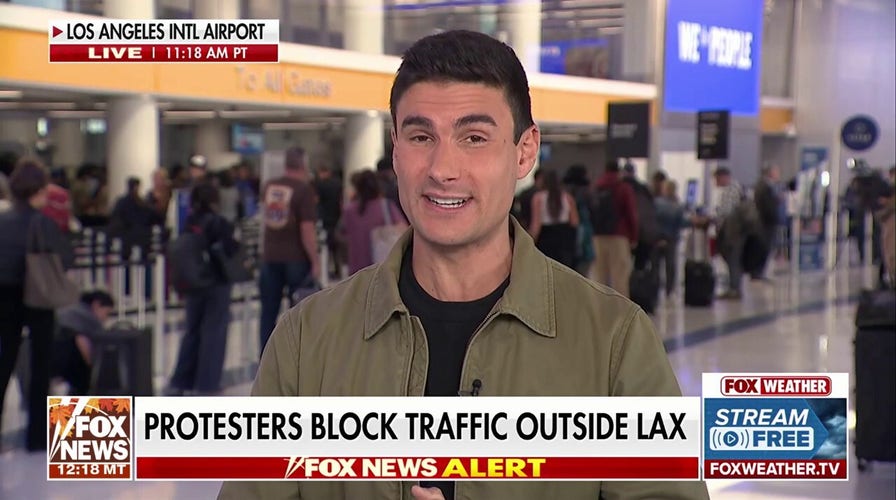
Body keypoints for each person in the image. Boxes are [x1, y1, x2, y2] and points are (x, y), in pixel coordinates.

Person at [219, 29, 708, 500]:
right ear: (395, 147)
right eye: (420, 136)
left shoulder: (612, 344)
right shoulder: (308, 341)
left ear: (524, 152)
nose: (442, 170)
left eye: (474, 137)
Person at [0, 157, 74, 451]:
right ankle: (37, 436)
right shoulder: (43, 223)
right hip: (38, 295)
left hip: (4, 295)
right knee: (41, 362)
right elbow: (64, 259)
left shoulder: (2, 220)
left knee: (5, 359)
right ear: (39, 191)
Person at [166, 182, 238, 395]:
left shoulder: (189, 222)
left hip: (193, 283)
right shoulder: (220, 223)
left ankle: (182, 381)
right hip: (216, 283)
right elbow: (231, 249)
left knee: (192, 331)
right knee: (213, 333)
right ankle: (207, 384)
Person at [257, 147, 320, 352]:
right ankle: (293, 360)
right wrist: (315, 260)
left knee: (268, 311)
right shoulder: (303, 190)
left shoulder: (269, 186)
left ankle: (265, 358)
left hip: (269, 256)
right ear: (303, 165)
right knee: (297, 314)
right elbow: (307, 229)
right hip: (296, 258)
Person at [338, 169, 406, 275]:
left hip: (356, 269)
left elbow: (341, 234)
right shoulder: (385, 206)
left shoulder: (349, 211)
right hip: (380, 266)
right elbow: (403, 230)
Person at [590, 160, 638, 297]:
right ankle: (622, 315)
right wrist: (634, 237)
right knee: (620, 279)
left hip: (597, 236)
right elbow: (631, 214)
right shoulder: (623, 188)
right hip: (619, 236)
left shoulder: (597, 187)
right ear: (619, 171)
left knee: (599, 279)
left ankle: (599, 314)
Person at [53, 290, 115, 395]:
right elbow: (81, 340)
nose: (106, 319)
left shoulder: (69, 310)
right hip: (63, 360)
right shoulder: (88, 318)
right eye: (107, 313)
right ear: (96, 304)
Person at [528, 170, 579, 268]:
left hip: (546, 238)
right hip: (564, 237)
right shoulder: (567, 197)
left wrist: (530, 243)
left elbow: (536, 226)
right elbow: (575, 222)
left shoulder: (538, 198)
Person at [712, 166, 747, 300]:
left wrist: (715, 221)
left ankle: (734, 288)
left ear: (723, 177)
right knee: (734, 259)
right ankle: (734, 286)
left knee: (733, 258)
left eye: (716, 179)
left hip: (732, 231)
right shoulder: (738, 188)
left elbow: (726, 213)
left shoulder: (730, 191)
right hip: (738, 230)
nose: (716, 183)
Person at [655, 180, 690, 297]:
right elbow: (682, 223)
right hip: (672, 238)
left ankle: (654, 290)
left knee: (655, 265)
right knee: (670, 266)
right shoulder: (678, 205)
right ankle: (669, 291)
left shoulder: (657, 202)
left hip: (657, 238)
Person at [751, 165, 781, 279]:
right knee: (763, 248)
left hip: (765, 222)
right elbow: (766, 206)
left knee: (764, 248)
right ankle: (757, 273)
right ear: (771, 173)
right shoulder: (764, 187)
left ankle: (759, 272)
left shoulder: (763, 186)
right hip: (765, 223)